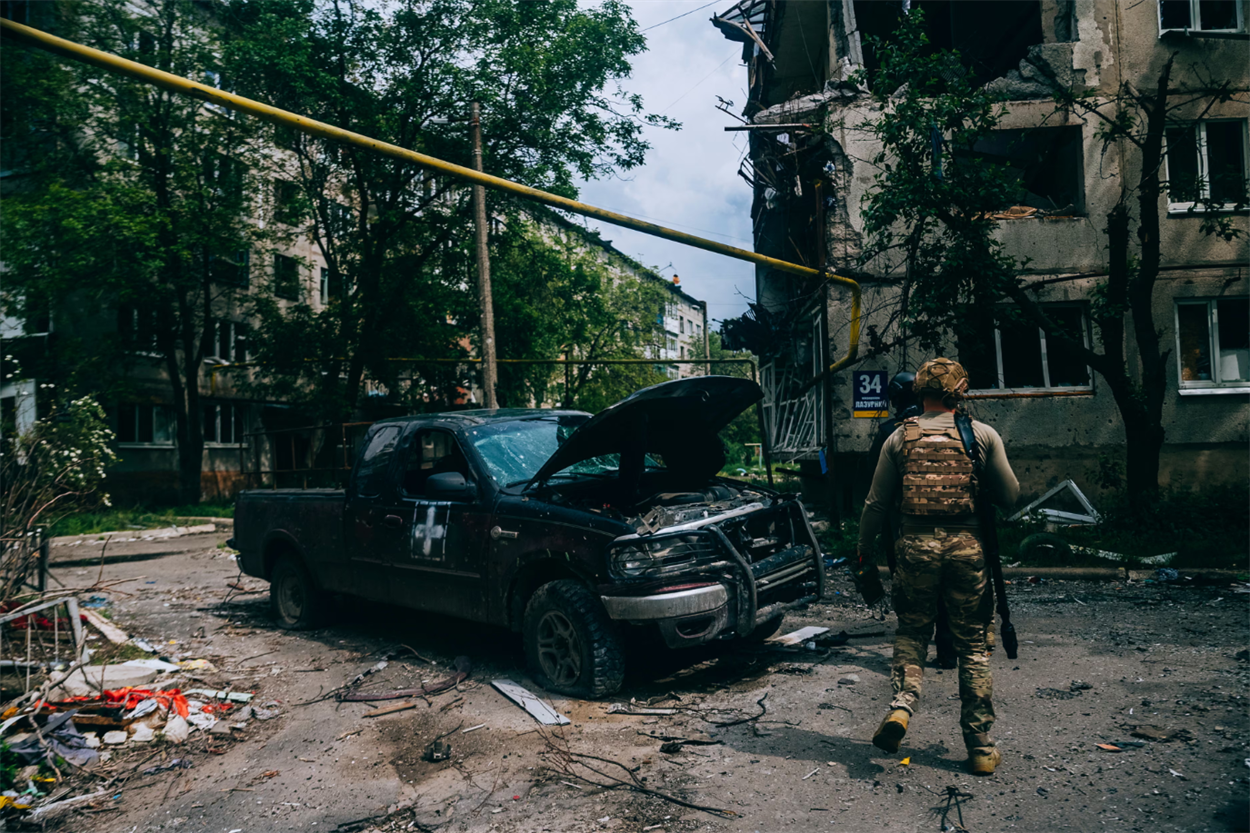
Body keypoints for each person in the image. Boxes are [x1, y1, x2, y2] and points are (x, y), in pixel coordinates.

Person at [856, 358, 1019, 776]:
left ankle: (902, 708)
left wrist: (863, 551)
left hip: (913, 547)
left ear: (918, 392)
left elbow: (875, 504)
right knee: (972, 647)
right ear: (960, 391)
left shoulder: (899, 437)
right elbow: (1010, 496)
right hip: (968, 549)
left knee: (912, 632)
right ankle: (980, 745)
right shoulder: (981, 434)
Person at [861, 372, 958, 670]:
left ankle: (911, 655)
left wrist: (864, 543)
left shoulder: (890, 432)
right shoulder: (951, 427)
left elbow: (871, 488)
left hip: (902, 525)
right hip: (949, 521)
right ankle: (947, 649)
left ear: (894, 400)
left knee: (907, 591)